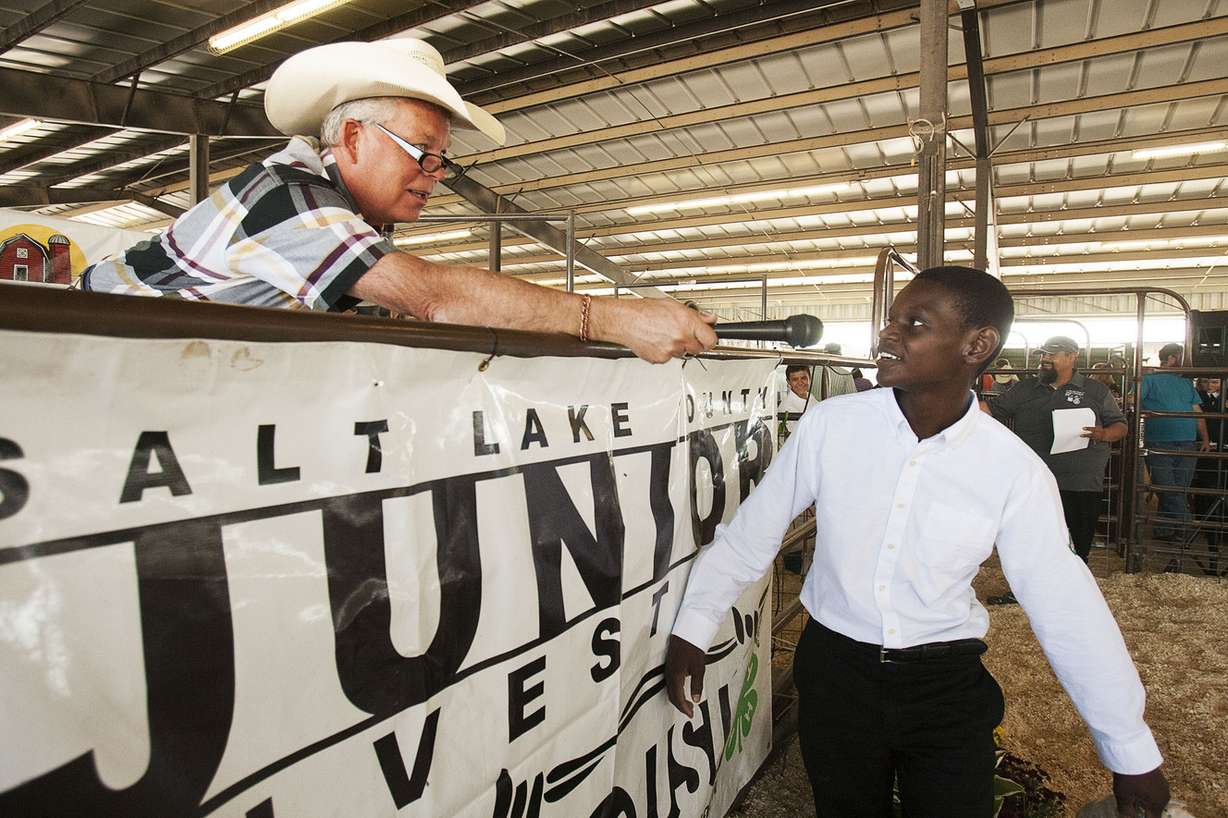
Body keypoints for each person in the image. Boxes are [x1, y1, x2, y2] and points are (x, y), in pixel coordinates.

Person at [665, 266, 1169, 818]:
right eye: (890, 320)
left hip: (945, 686)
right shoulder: (832, 426)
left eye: (915, 323)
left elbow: (1063, 601)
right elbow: (749, 536)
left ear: (977, 346)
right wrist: (694, 626)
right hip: (835, 673)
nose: (887, 335)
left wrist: (1129, 747)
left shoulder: (1013, 470)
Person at [79, 39, 716, 364]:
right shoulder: (286, 196)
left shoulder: (343, 222)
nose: (435, 175)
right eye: (422, 152)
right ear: (352, 137)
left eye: (442, 158)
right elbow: (431, 296)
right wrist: (614, 319)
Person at [984, 336, 1127, 563]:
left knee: (1078, 543)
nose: (1045, 359)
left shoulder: (1095, 390)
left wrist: (1104, 434)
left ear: (1072, 356)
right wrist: (959, 403)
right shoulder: (1025, 388)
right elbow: (991, 410)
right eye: (1044, 354)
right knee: (1030, 539)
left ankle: (1073, 589)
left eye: (1052, 354)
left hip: (1081, 480)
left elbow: (1120, 425)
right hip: (1035, 480)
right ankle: (1025, 589)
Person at [1140, 343, 1211, 540]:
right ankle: (1188, 525)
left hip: (1187, 441)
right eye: (1182, 356)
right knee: (1168, 488)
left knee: (1178, 488)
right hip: (1159, 441)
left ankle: (1165, 530)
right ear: (1172, 358)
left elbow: (1197, 412)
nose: (1187, 361)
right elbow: (1133, 401)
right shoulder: (1149, 378)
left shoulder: (1186, 383)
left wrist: (1205, 438)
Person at [1193, 377, 1223, 562]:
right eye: (1206, 382)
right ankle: (1204, 522)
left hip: (1223, 447)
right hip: (1204, 447)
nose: (1209, 386)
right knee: (1203, 484)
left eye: (1214, 382)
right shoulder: (1198, 398)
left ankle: (1219, 525)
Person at [778, 365, 814, 436]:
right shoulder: (786, 408)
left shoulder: (811, 397)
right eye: (795, 379)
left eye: (803, 378)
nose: (800, 383)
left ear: (810, 378)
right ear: (788, 382)